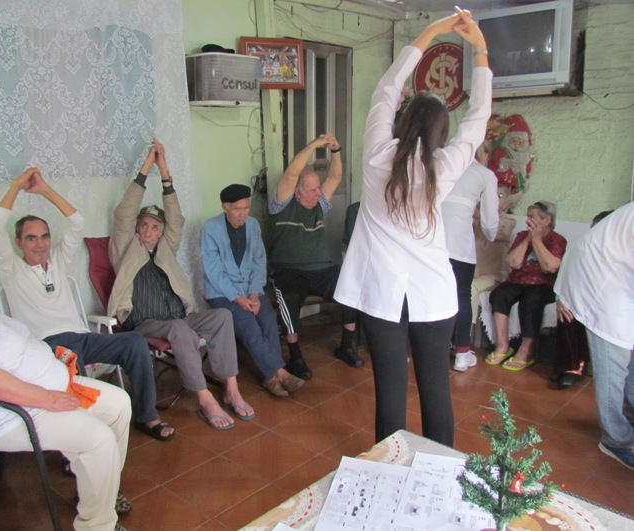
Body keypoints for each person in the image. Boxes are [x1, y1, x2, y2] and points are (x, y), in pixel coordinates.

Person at [0, 184, 131, 531]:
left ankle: (101, 490)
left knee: (118, 404)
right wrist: (48, 398)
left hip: (51, 387)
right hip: (12, 414)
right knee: (97, 438)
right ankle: (97, 524)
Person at [334, 8, 491, 446]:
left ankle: (391, 469)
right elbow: (477, 120)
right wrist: (479, 50)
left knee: (390, 394)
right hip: (434, 295)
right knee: (436, 392)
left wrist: (430, 33)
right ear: (440, 132)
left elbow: (385, 90)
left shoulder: (377, 155)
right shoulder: (444, 165)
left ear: (403, 121)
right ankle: (439, 472)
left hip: (381, 296)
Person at [0, 169, 174, 442]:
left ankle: (147, 416)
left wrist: (45, 190)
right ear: (18, 242)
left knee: (135, 342)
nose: (40, 244)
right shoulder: (12, 269)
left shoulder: (58, 260)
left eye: (44, 236)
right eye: (31, 238)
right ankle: (80, 436)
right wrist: (16, 185)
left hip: (81, 337)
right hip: (47, 345)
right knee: (70, 361)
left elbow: (77, 222)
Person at [107, 139, 253, 430]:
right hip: (144, 322)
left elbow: (176, 218)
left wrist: (165, 173)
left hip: (179, 317)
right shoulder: (125, 249)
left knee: (223, 316)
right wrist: (146, 166)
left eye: (155, 227)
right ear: (136, 229)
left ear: (162, 232)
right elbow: (124, 213)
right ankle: (204, 398)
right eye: (144, 225)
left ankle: (231, 388)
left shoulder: (166, 248)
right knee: (178, 328)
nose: (148, 231)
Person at [268, 133, 362, 381]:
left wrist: (335, 150)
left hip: (322, 270)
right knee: (287, 297)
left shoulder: (320, 205)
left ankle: (346, 346)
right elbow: (291, 174)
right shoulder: (281, 205)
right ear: (297, 192)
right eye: (312, 189)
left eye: (318, 188)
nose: (319, 193)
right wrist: (313, 145)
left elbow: (335, 177)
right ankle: (296, 357)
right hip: (289, 271)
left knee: (350, 285)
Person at [201, 184, 305, 398]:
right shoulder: (210, 228)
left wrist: (254, 294)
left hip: (250, 290)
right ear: (225, 207)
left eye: (246, 208)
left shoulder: (253, 225)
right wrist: (237, 298)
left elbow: (259, 261)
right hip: (221, 292)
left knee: (267, 318)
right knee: (248, 323)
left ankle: (272, 378)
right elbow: (214, 271)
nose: (243, 214)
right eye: (237, 209)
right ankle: (280, 373)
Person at [553, 203, 634, 470]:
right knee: (614, 362)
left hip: (621, 279)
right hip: (601, 279)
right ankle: (616, 439)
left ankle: (630, 418)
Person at [486, 201, 567, 370]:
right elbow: (513, 263)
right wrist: (527, 240)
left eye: (532, 217)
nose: (527, 220)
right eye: (528, 217)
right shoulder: (522, 235)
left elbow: (550, 267)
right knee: (499, 294)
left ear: (547, 220)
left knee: (530, 301)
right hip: (518, 281)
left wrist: (537, 241)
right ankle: (502, 345)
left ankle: (527, 350)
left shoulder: (557, 240)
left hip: (543, 284)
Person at [442, 145, 500, 371]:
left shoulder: (444, 167)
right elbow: (490, 222)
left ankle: (434, 348)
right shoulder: (484, 174)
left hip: (432, 244)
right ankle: (462, 353)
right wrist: (490, 234)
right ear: (483, 154)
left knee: (435, 294)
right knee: (462, 296)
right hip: (459, 246)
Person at [552, 210, 613, 389]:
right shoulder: (581, 249)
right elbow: (566, 274)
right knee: (567, 312)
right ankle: (570, 367)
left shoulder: (618, 252)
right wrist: (560, 297)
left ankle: (581, 364)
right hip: (579, 296)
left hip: (607, 300)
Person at [470, 186, 516, 332]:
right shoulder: (475, 221)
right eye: (491, 194)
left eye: (500, 196)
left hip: (493, 276)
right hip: (472, 273)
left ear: (506, 204)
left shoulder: (509, 221)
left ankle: (464, 335)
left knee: (470, 287)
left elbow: (497, 230)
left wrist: (478, 215)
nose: (494, 198)